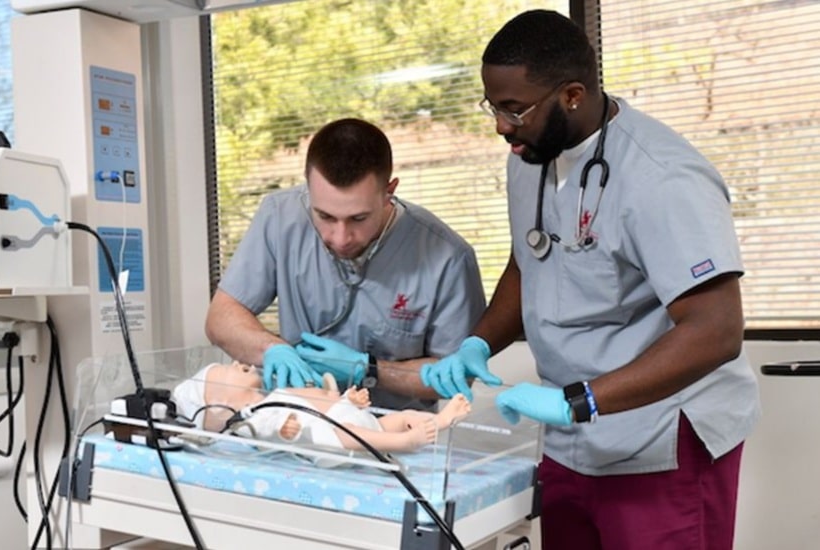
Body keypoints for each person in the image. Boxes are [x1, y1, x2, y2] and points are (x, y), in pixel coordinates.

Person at [419, 10, 760, 550]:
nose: (501, 126)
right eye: (494, 106)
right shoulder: (531, 153)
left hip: (659, 440)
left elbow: (715, 330)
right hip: (571, 440)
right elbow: (530, 259)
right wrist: (478, 342)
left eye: (514, 109)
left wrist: (577, 402)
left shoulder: (663, 177)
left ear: (572, 95)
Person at [205, 117, 486, 410]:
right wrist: (272, 349)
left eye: (358, 219)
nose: (340, 238)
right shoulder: (280, 217)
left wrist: (371, 370)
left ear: (389, 191)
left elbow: (457, 378)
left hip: (396, 436)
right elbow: (221, 319)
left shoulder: (448, 258)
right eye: (324, 216)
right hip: (300, 423)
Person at [172, 360, 471, 454]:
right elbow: (265, 431)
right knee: (354, 434)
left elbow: (316, 400)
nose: (236, 362)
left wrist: (347, 400)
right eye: (226, 369)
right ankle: (403, 443)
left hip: (346, 416)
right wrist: (282, 429)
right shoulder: (253, 418)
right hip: (334, 436)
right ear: (222, 404)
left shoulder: (274, 394)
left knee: (401, 415)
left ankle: (441, 421)